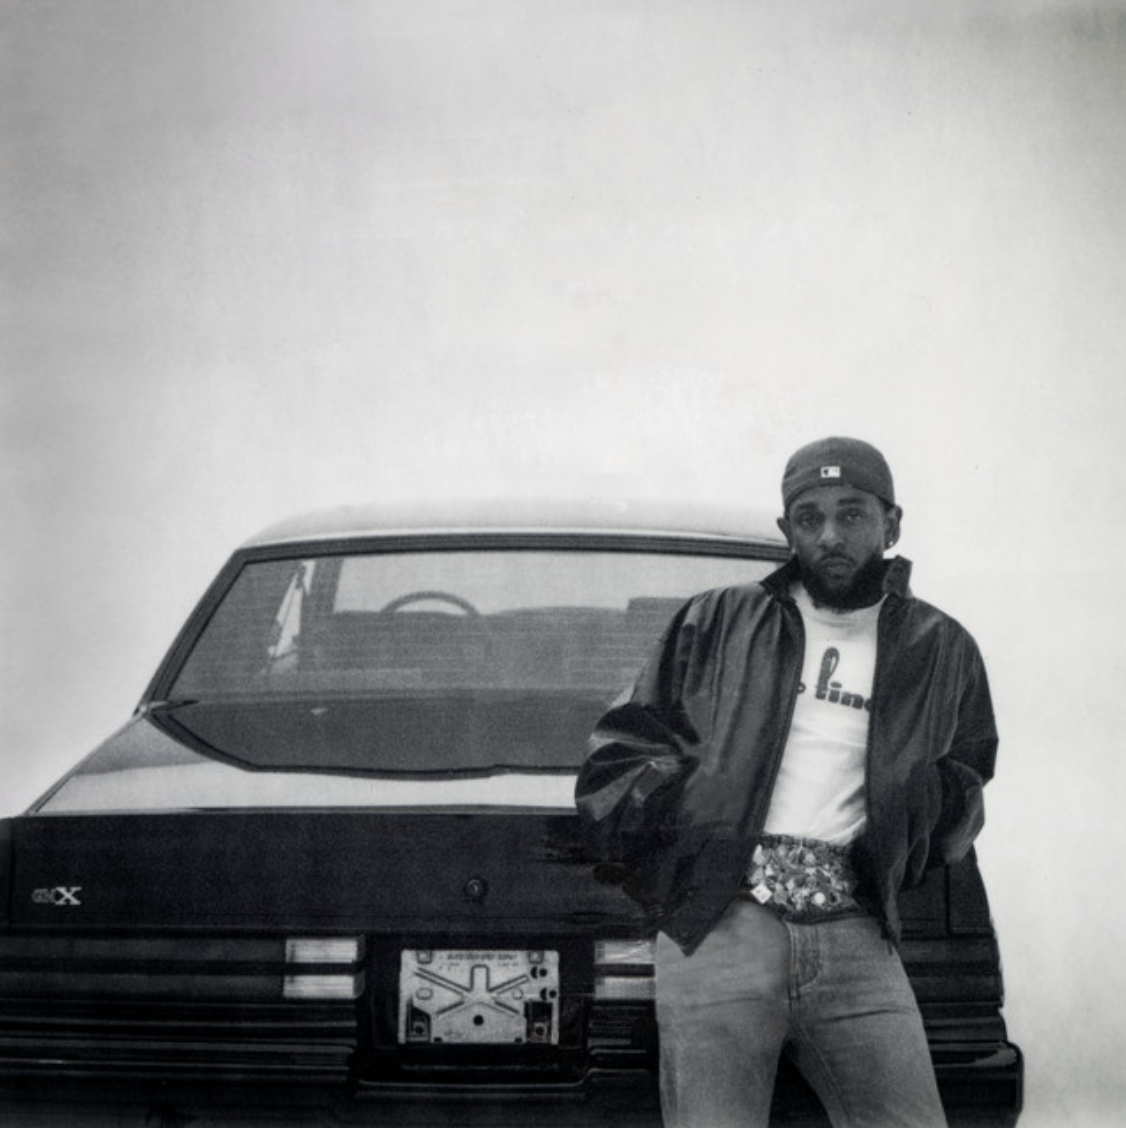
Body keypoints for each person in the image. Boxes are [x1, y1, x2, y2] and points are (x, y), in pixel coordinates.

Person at [575, 437, 997, 1128]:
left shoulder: (941, 648)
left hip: (856, 932)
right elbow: (617, 759)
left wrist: (905, 839)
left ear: (892, 524)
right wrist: (701, 839)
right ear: (786, 530)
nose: (830, 535)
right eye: (809, 517)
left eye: (852, 514)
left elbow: (966, 774)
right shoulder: (717, 621)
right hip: (721, 925)